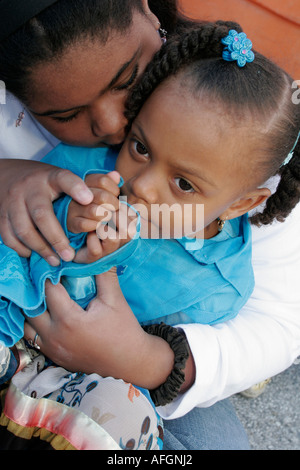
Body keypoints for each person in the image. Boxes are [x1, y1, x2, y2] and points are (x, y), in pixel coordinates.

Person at [0, 0, 299, 450]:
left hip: (137, 373)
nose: (116, 123)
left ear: (148, 9)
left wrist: (154, 362)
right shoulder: (90, 172)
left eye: (128, 80)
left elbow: (278, 322)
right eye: (64, 114)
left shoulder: (243, 132)